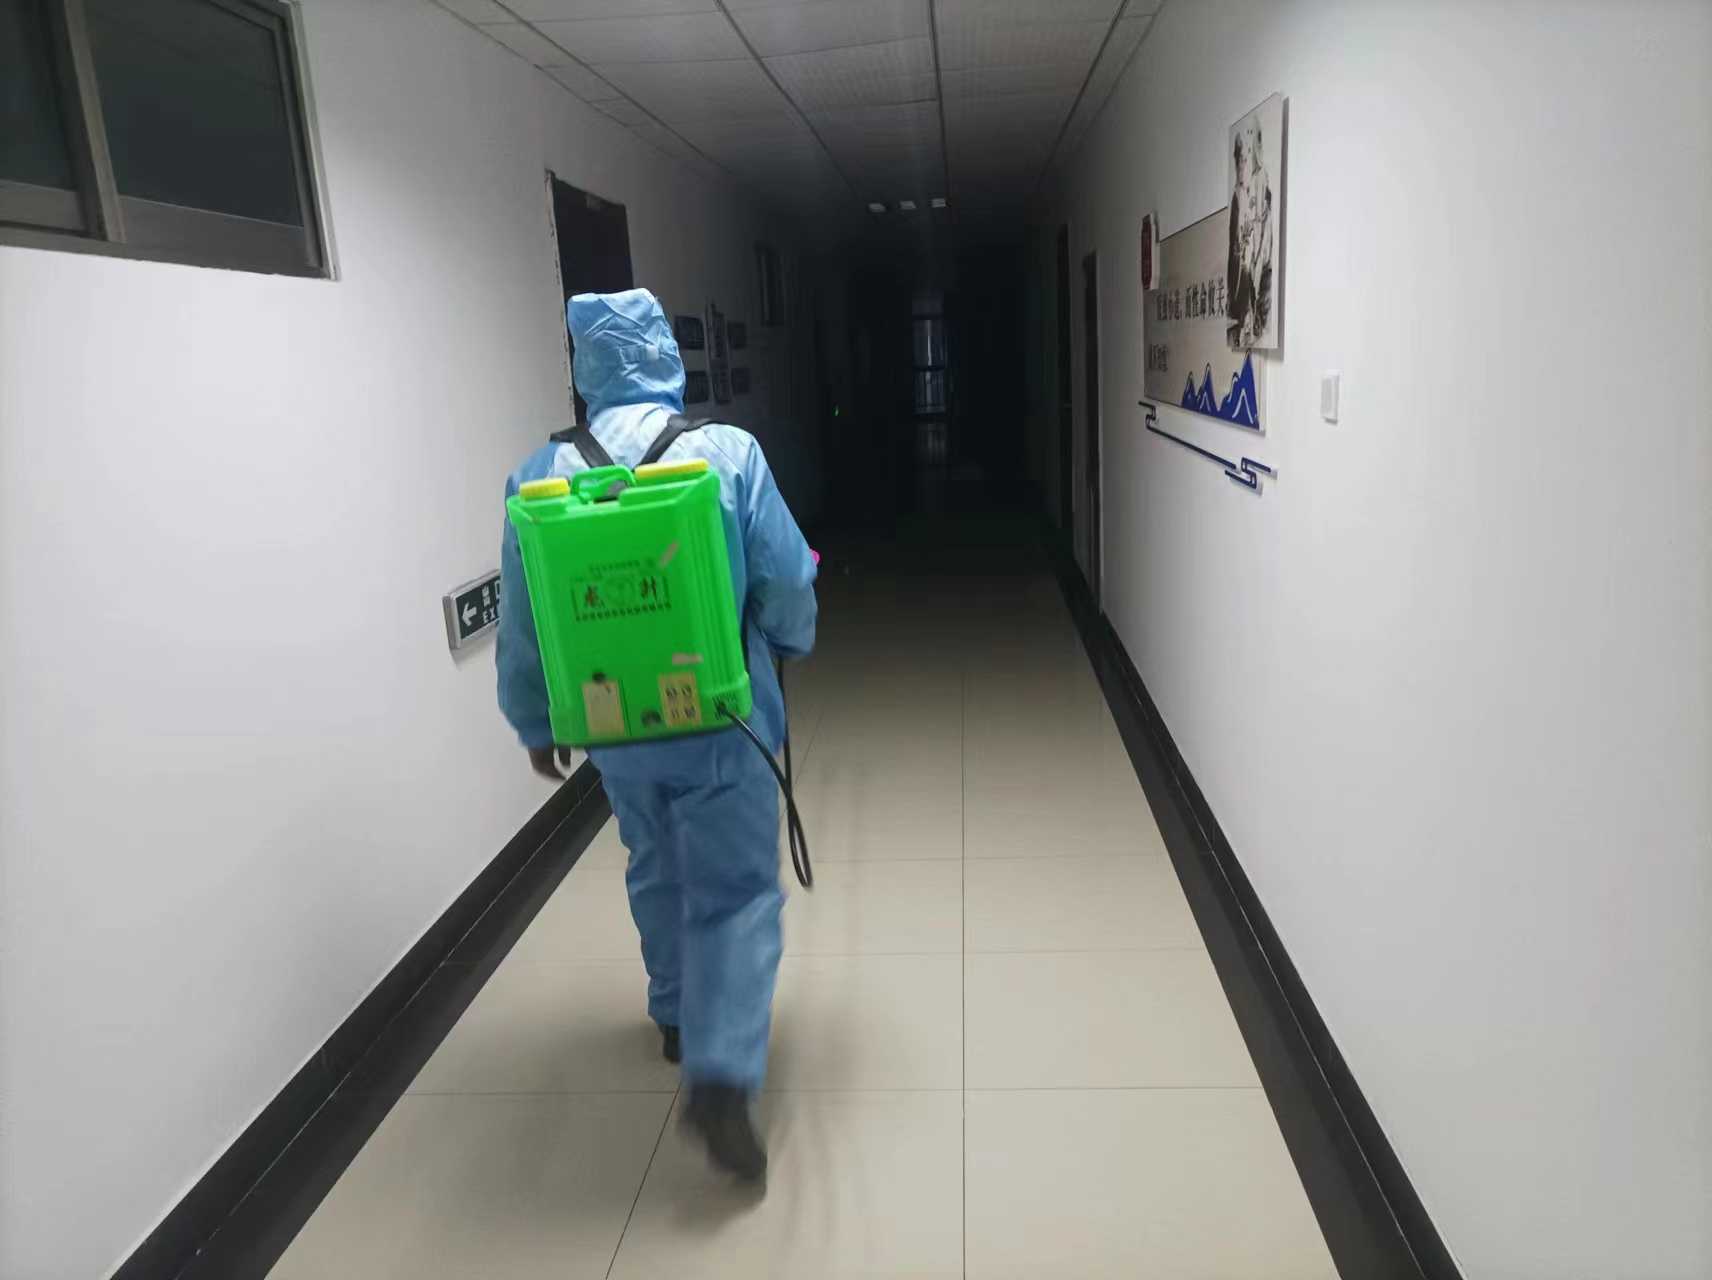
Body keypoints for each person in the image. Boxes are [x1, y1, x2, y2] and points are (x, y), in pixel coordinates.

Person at [496, 288, 817, 1182]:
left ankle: (675, 1014)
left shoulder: (539, 474)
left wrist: (537, 721)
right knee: (735, 892)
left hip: (615, 722)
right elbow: (787, 579)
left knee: (655, 860)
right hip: (720, 713)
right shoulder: (727, 453)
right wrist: (790, 640)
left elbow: (527, 620)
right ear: (664, 355)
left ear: (587, 367)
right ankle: (722, 1075)